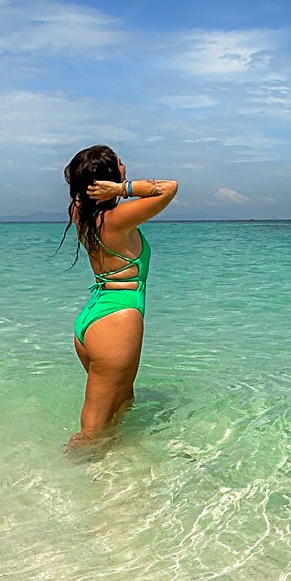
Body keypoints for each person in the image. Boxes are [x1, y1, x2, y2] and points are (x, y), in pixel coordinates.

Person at [63, 145, 177, 447]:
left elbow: (76, 187)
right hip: (117, 319)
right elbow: (168, 189)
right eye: (120, 164)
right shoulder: (118, 217)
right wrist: (121, 189)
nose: (125, 166)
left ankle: (115, 481)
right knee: (92, 431)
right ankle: (59, 481)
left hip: (95, 315)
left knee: (122, 404)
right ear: (110, 178)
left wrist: (98, 187)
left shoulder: (81, 212)